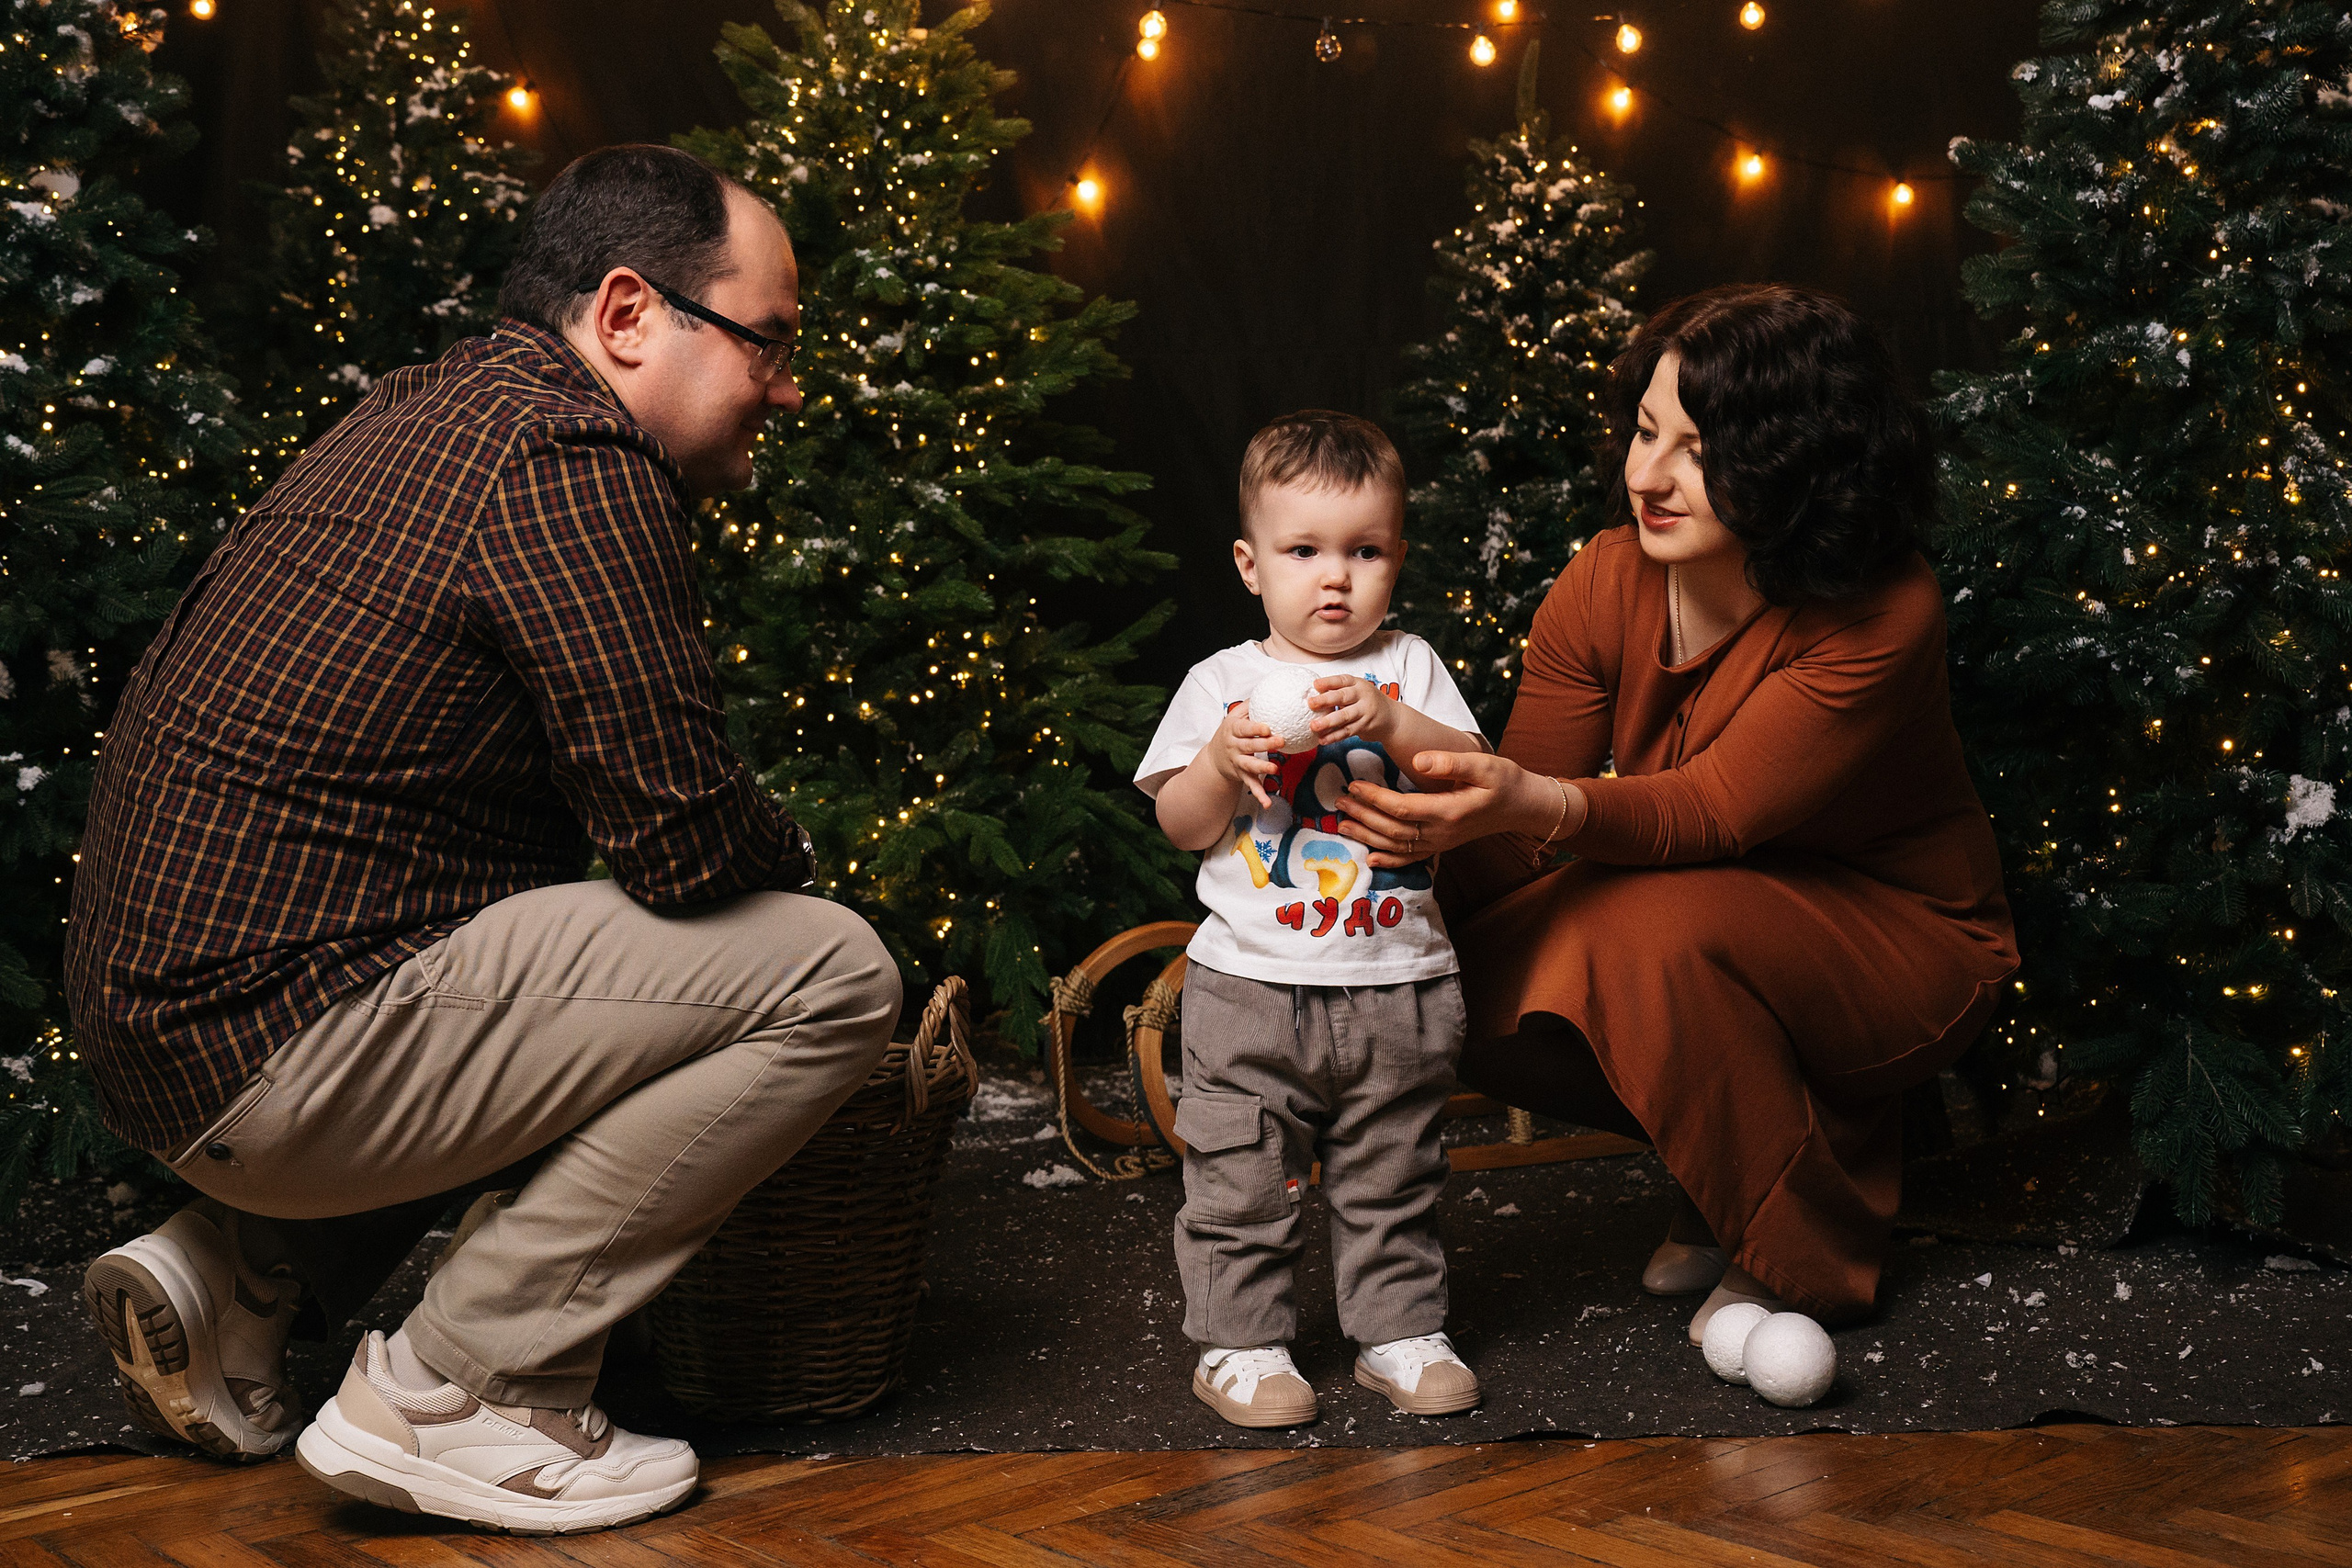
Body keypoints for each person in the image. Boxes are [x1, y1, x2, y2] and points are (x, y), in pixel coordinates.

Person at [66, 145, 901, 1534]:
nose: (789, 386)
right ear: (627, 315)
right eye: (770, 340)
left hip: (168, 1031)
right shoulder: (572, 459)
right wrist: (804, 864)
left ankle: (240, 1274)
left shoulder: (429, 405)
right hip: (270, 1040)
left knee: (567, 969)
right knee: (829, 971)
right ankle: (465, 1387)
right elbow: (686, 843)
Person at [1331, 284, 2018, 1344]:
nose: (1645, 475)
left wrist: (1526, 802)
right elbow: (1520, 824)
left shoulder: (1884, 606)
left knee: (1635, 929)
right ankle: (1737, 1164)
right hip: (1699, 899)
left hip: (1903, 937)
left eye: (1696, 451)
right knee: (1421, 957)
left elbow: (1713, 810)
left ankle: (1799, 1247)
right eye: (1646, 432)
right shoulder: (1606, 576)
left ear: (1797, 460)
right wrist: (1387, 863)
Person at [1135, 411, 1489, 1428]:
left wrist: (1392, 721)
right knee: (1240, 1172)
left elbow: (1466, 776)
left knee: (1394, 1168)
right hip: (1250, 987)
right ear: (1251, 565)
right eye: (1303, 552)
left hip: (1398, 983)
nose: (1334, 578)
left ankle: (1398, 1331)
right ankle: (1241, 1345)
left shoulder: (1408, 667)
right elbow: (1179, 824)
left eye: (1364, 552)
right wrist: (1218, 764)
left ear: (1397, 560)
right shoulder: (1222, 684)